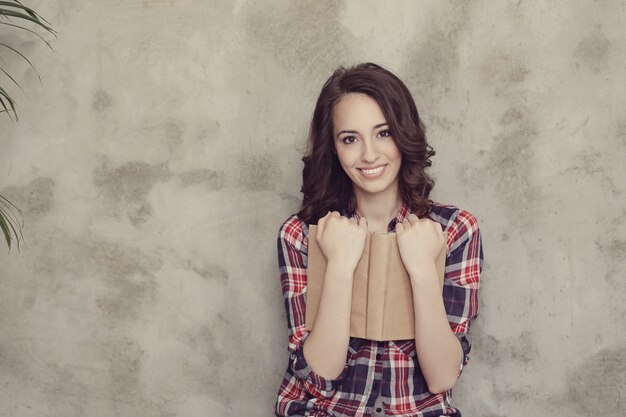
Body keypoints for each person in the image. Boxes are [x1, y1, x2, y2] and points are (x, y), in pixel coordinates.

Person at [275, 63, 483, 417]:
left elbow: (442, 377)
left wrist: (421, 270)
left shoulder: (455, 230)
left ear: (404, 135)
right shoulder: (302, 234)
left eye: (383, 133)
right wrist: (339, 266)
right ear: (334, 148)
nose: (369, 154)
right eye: (350, 139)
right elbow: (319, 376)